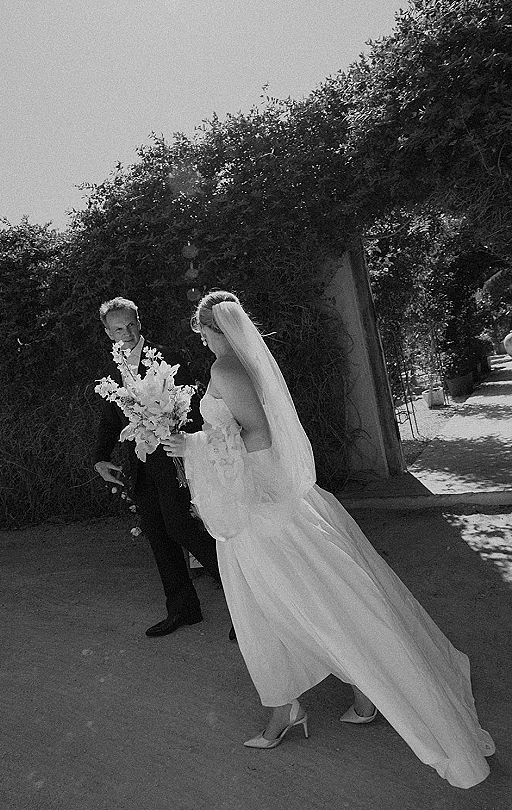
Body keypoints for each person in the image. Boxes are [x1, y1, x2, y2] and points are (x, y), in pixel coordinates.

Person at [163, 290, 495, 789]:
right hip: (268, 502)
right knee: (321, 604)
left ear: (210, 329)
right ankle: (348, 697)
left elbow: (258, 435)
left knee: (288, 611)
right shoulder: (242, 365)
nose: (205, 340)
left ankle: (294, 707)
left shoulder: (226, 371)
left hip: (260, 513)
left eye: (203, 332)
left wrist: (196, 446)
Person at [93, 296, 224, 638]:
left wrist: (183, 439)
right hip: (140, 467)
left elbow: (195, 407)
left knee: (182, 528)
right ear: (108, 333)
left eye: (132, 324)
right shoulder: (110, 370)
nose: (128, 332)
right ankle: (183, 610)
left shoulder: (169, 357)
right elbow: (110, 420)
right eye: (119, 328)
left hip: (173, 459)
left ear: (140, 321)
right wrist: (99, 458)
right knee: (159, 534)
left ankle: (246, 600)